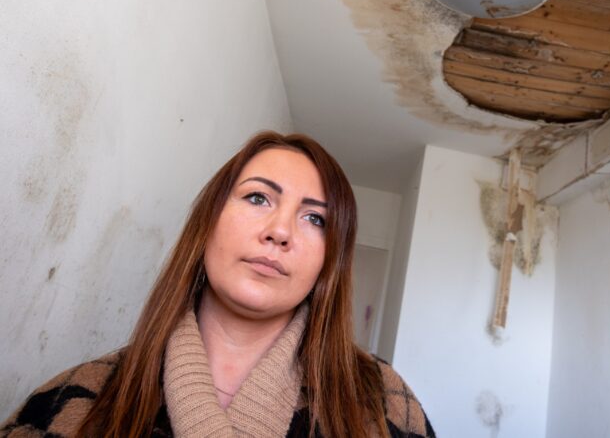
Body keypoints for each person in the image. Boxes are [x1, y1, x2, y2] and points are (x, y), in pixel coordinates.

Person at [1, 131, 435, 438]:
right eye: (257, 197)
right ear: (208, 222)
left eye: (315, 218)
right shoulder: (70, 398)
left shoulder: (382, 399)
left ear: (329, 261)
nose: (280, 231)